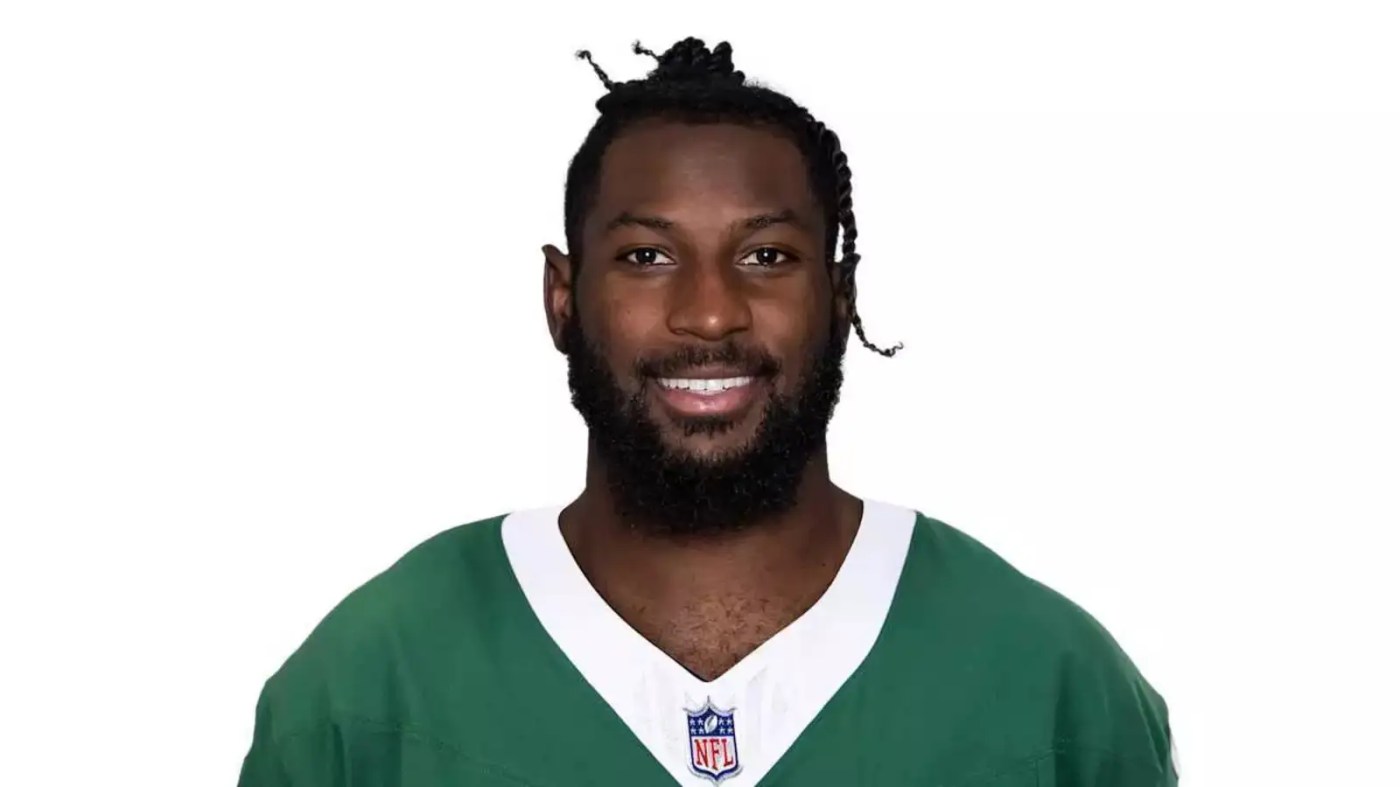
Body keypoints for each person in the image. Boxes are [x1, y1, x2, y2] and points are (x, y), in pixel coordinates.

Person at [237, 36, 1177, 787]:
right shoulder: (367, 687)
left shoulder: (1052, 685)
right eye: (647, 257)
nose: (712, 312)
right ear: (562, 297)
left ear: (840, 296)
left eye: (767, 256)